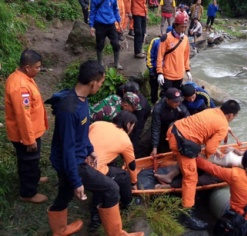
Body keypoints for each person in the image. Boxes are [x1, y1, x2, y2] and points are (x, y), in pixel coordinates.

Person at [45, 60, 143, 236]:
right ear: (93, 83)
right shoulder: (69, 109)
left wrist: (90, 150)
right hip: (73, 163)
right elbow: (67, 148)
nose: (101, 85)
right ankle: (117, 233)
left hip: (78, 157)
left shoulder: (82, 101)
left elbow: (82, 133)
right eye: (101, 82)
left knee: (65, 193)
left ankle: (59, 230)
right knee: (111, 188)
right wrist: (77, 181)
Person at [165, 99, 240, 229]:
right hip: (181, 142)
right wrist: (212, 156)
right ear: (231, 115)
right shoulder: (223, 125)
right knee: (191, 178)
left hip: (174, 130)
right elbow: (210, 149)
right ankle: (186, 214)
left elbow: (205, 133)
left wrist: (213, 150)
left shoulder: (212, 111)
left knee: (190, 161)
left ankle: (172, 176)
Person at [5, 49, 49, 204]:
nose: (38, 70)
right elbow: (23, 117)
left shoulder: (23, 77)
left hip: (31, 131)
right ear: (27, 67)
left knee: (31, 160)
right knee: (28, 161)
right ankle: (28, 192)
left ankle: (34, 178)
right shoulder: (21, 87)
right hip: (25, 135)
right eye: (36, 67)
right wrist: (29, 140)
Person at [197, 149, 247, 235]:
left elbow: (212, 168)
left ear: (243, 164)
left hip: (239, 226)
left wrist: (195, 158)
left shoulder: (235, 175)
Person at [88, 111, 139, 231]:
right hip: (92, 171)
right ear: (128, 125)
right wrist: (134, 183)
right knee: (124, 176)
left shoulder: (98, 124)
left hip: (78, 161)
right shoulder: (125, 140)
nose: (132, 129)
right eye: (132, 126)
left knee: (110, 165)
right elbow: (131, 165)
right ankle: (127, 204)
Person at [156, 11, 192, 98]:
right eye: (182, 27)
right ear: (176, 25)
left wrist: (187, 70)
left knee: (176, 96)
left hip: (179, 75)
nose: (184, 29)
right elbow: (160, 56)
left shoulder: (185, 39)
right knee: (166, 96)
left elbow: (186, 56)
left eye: (185, 27)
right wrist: (160, 72)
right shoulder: (166, 38)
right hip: (168, 74)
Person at [89, 0, 123, 70]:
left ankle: (116, 63)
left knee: (116, 44)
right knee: (100, 44)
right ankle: (100, 63)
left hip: (111, 25)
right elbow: (92, 12)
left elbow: (115, 9)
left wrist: (119, 22)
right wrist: (91, 26)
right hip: (100, 24)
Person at [146, 26, 173, 104]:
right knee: (154, 87)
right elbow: (149, 55)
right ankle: (154, 101)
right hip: (155, 69)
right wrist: (151, 69)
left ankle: (163, 102)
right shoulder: (155, 41)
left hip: (166, 70)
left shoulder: (173, 43)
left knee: (165, 88)